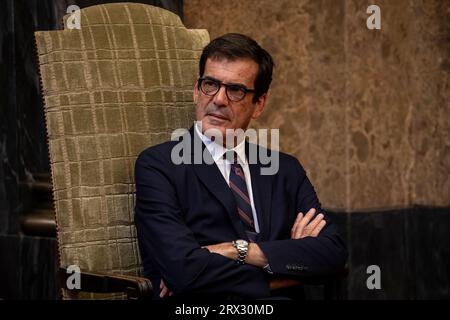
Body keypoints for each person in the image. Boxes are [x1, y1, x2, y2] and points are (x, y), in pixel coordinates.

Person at [134, 33, 347, 300]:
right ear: (196, 90)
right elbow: (183, 270)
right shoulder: (159, 166)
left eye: (235, 90)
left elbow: (332, 254)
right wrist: (281, 258)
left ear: (259, 104)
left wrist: (238, 250)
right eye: (210, 84)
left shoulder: (285, 170)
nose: (219, 99)